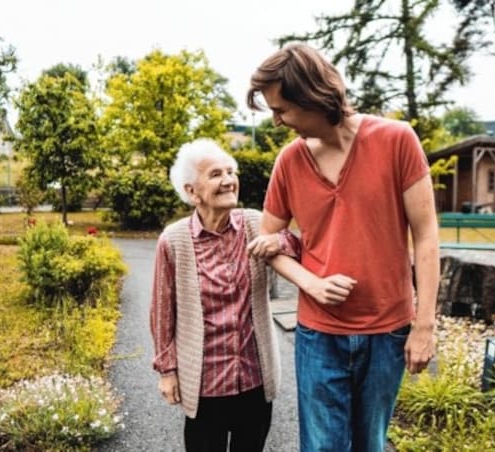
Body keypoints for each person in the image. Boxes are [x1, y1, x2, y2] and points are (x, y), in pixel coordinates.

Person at [245, 43, 441, 452]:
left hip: (387, 330)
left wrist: (424, 326)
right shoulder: (290, 161)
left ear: (312, 96)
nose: (277, 121)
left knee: (369, 443)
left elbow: (426, 235)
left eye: (282, 110)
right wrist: (311, 284)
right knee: (321, 446)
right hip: (319, 335)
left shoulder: (396, 140)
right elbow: (268, 243)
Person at [150, 138, 351, 452]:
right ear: (192, 191)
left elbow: (299, 246)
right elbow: (162, 312)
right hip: (205, 385)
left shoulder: (255, 223)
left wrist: (280, 243)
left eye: (231, 172)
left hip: (254, 379)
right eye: (216, 174)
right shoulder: (174, 240)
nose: (229, 180)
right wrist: (167, 370)